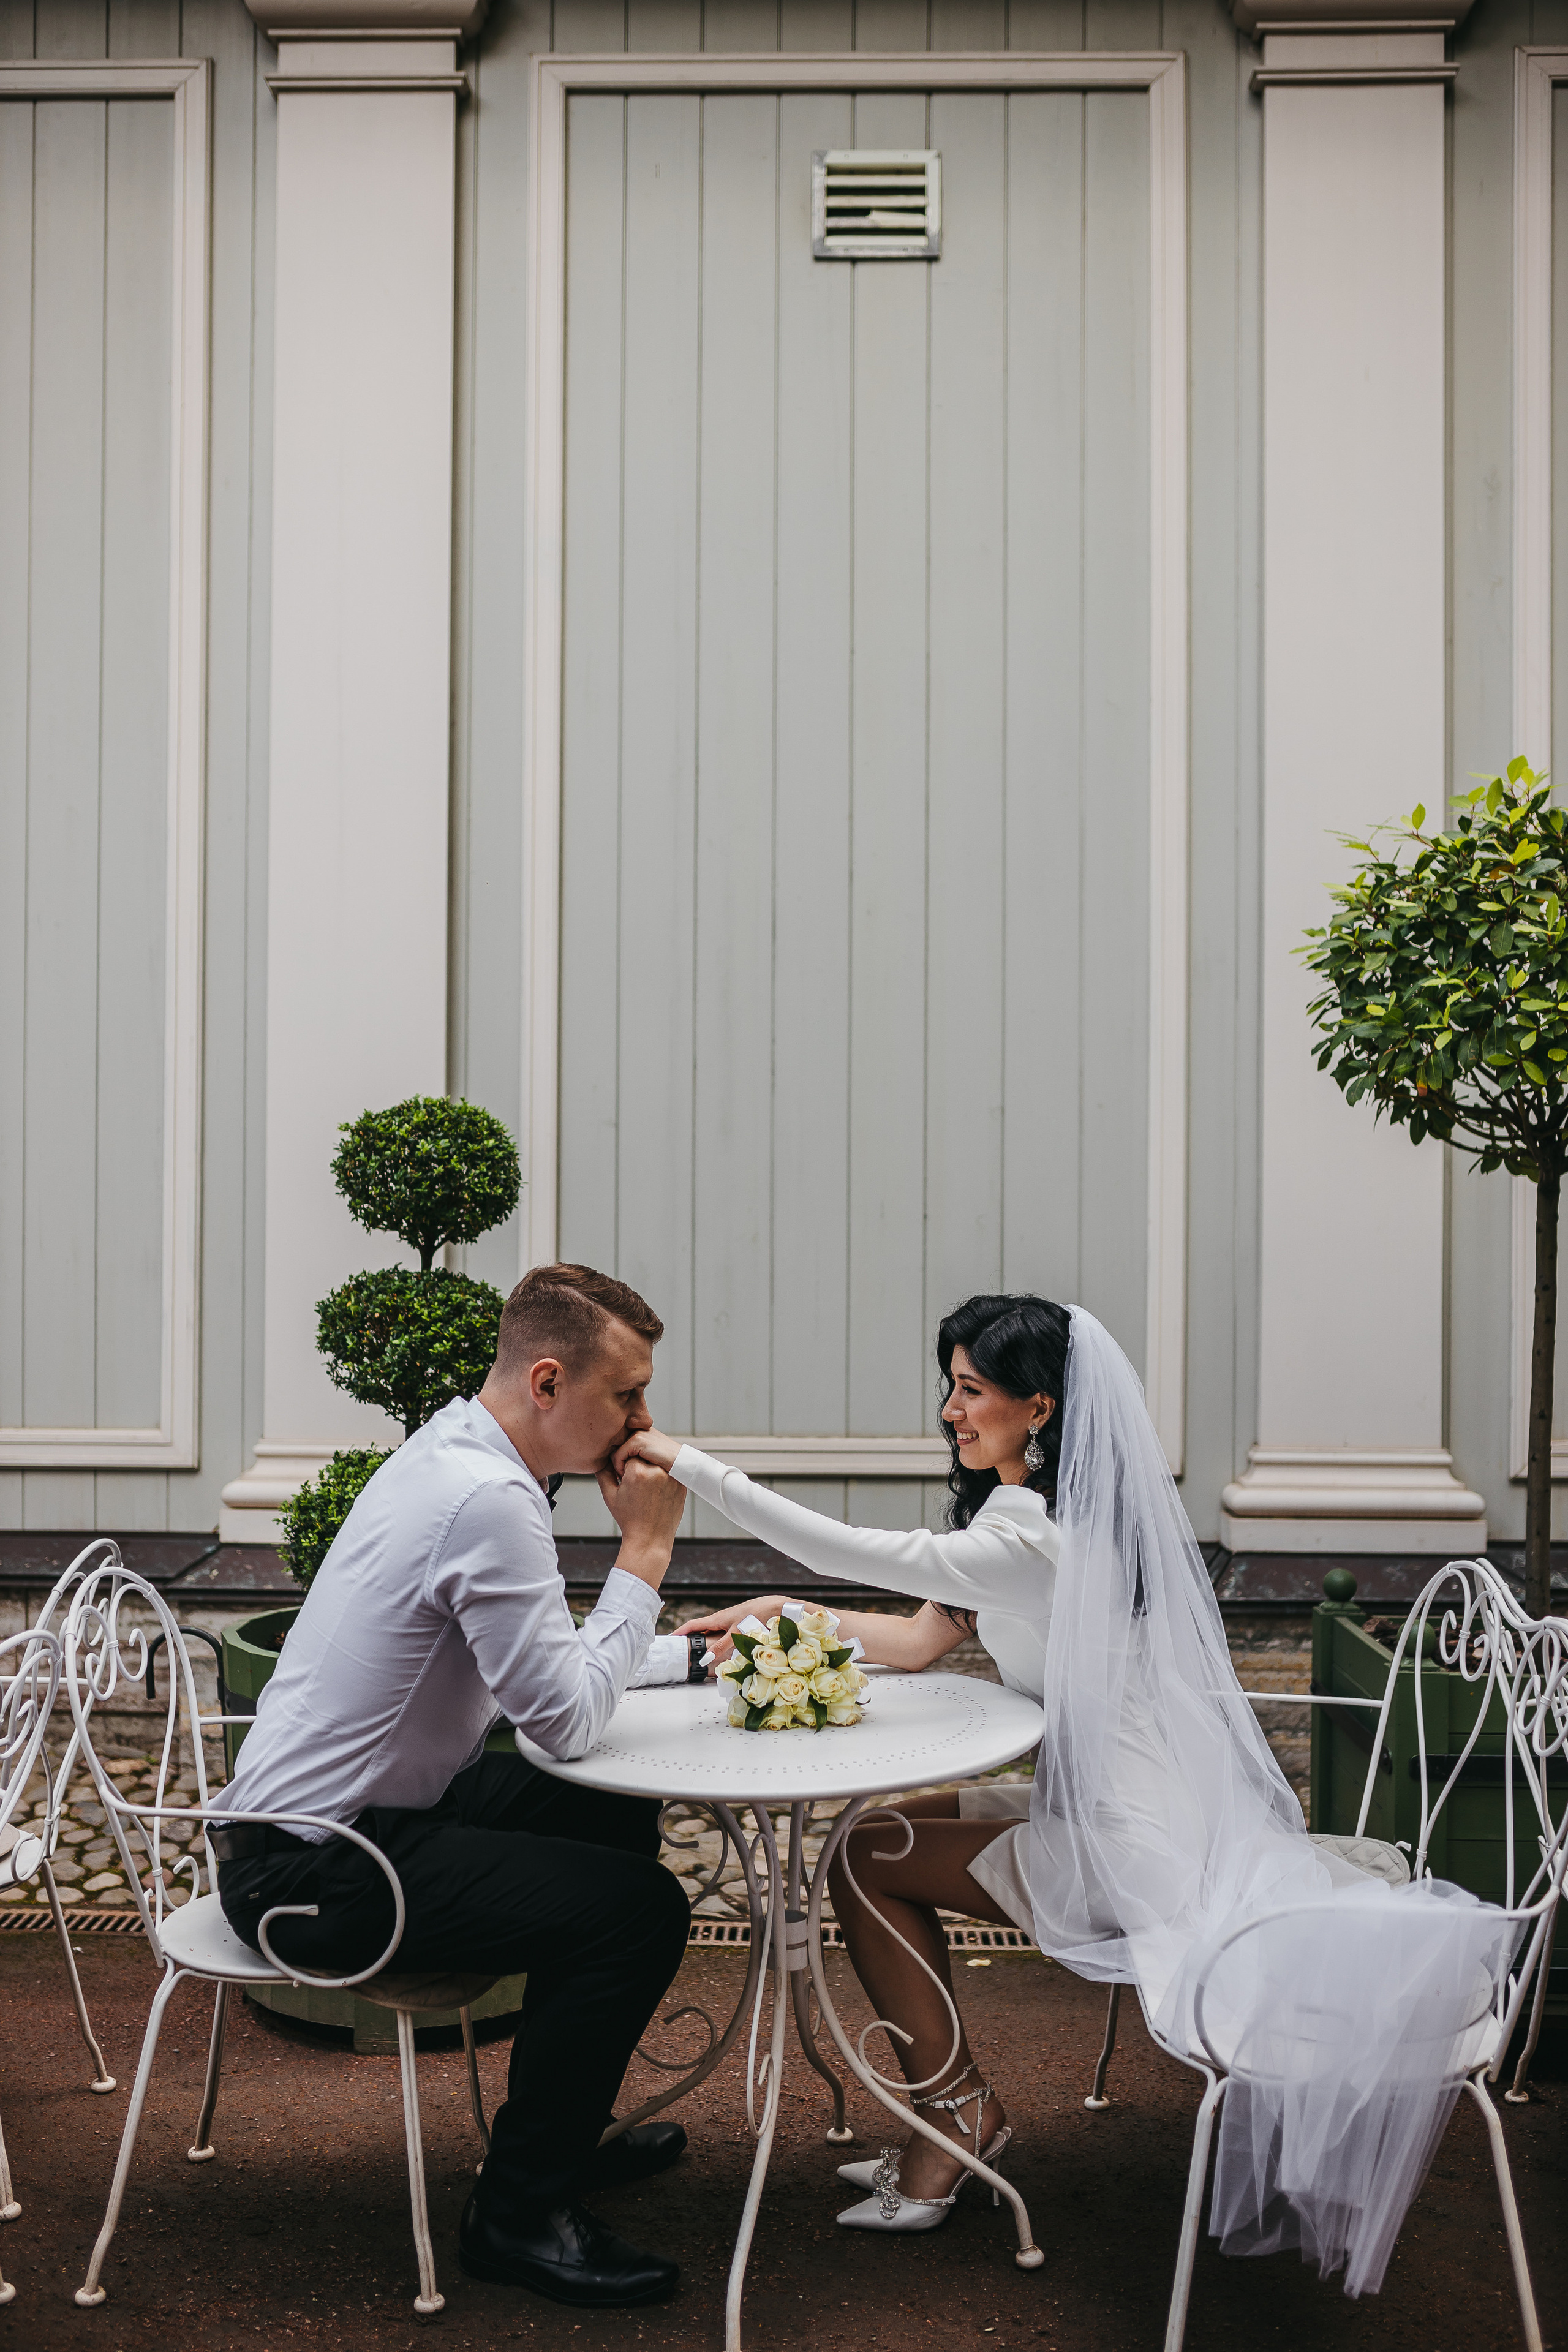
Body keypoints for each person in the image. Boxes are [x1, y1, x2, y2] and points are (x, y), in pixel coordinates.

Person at [619, 1292, 1442, 2270]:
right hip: (1112, 1802)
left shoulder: (1038, 1542)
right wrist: (784, 1613)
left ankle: (955, 2123)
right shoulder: (1031, 1518)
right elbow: (920, 1638)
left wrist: (689, 1462)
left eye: (972, 1392)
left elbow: (854, 1551)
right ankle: (957, 2107)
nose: (950, 1412)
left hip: (1131, 1838)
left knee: (866, 1861)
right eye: (951, 1389)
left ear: (1039, 1408)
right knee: (871, 1842)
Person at [217, 1263, 701, 2310]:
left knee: (606, 1803)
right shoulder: (487, 1499)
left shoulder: (456, 1450)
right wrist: (647, 1550)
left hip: (353, 1822)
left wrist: (689, 1654)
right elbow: (564, 1719)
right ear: (545, 1381)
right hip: (315, 1872)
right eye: (626, 1394)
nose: (643, 1420)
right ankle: (518, 2215)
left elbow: (548, 1676)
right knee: (638, 1914)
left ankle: (551, 2143)